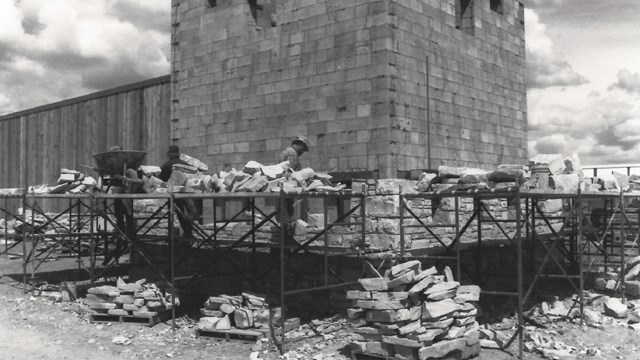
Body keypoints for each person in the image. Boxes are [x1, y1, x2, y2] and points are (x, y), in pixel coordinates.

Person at [159, 145, 198, 239]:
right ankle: (188, 231)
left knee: (180, 213)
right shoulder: (185, 164)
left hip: (173, 194)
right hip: (186, 192)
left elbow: (161, 181)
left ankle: (185, 231)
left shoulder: (166, 165)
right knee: (192, 211)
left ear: (170, 154)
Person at [278, 136, 310, 245]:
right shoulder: (292, 154)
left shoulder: (285, 152)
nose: (302, 152)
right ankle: (285, 240)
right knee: (286, 214)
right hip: (287, 188)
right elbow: (289, 173)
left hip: (282, 188)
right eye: (303, 149)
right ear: (299, 144)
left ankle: (283, 240)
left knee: (284, 213)